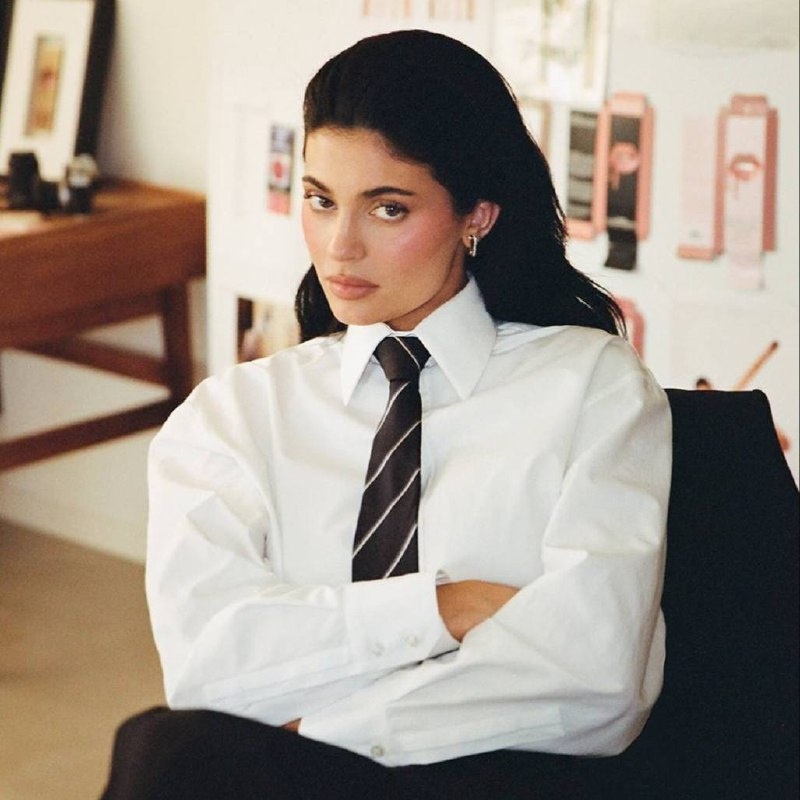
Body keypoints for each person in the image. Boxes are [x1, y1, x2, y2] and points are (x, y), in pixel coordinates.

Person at [101, 29, 671, 800]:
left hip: (493, 781)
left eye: (388, 208)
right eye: (320, 200)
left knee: (176, 756)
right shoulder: (235, 416)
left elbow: (599, 676)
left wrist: (325, 732)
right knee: (167, 747)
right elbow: (207, 667)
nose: (340, 247)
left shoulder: (590, 386)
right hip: (292, 776)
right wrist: (444, 607)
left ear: (477, 215)